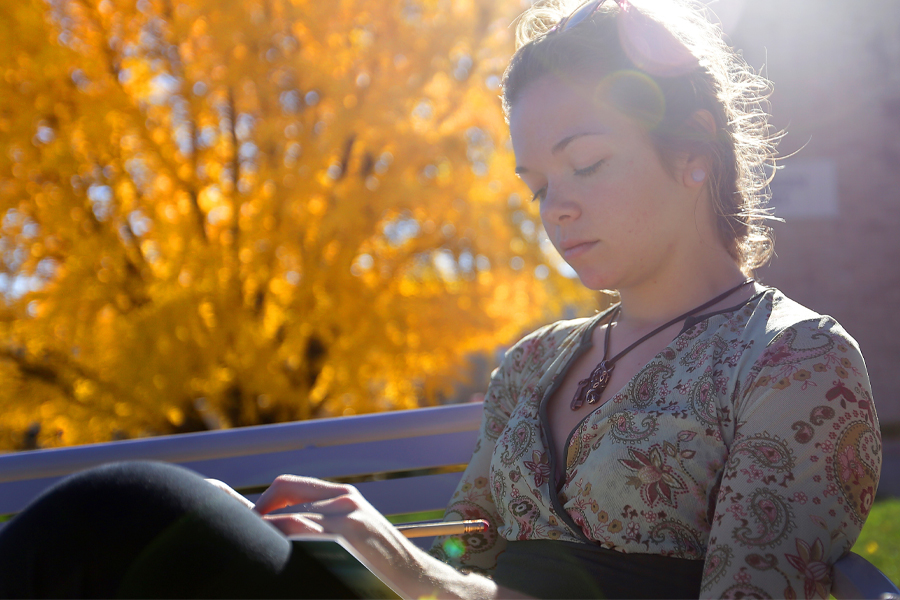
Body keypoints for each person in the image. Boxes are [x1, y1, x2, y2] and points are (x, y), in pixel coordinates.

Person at [0, 0, 882, 598]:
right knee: (129, 527)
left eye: (585, 163)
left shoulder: (796, 363)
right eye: (536, 184)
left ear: (694, 154)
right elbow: (473, 556)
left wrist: (427, 579)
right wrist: (366, 546)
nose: (557, 205)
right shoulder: (537, 362)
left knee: (133, 510)